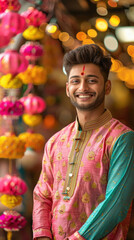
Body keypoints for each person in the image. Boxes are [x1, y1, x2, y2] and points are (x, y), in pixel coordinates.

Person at [32, 44, 134, 240]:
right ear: (68, 89)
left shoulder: (122, 139)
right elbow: (42, 194)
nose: (83, 88)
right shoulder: (55, 141)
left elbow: (116, 204)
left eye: (92, 80)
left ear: (107, 86)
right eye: (75, 81)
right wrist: (43, 234)